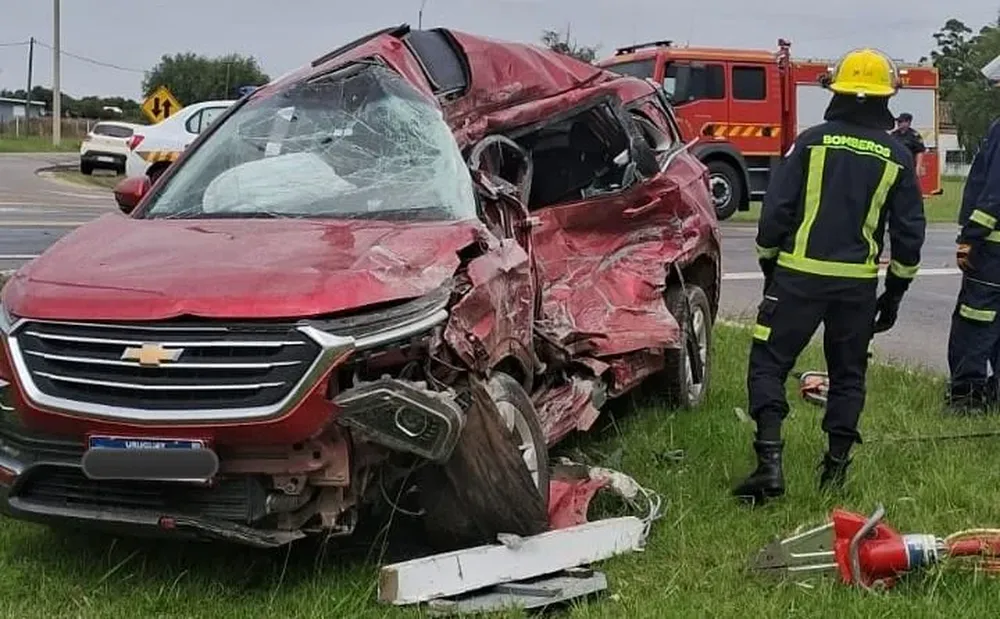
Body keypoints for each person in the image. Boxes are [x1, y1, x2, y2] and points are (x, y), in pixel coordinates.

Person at [733, 48, 926, 504]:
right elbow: (909, 236)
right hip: (857, 289)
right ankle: (834, 473)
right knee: (848, 375)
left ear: (835, 91)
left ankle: (770, 466)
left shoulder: (809, 142)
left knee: (768, 364)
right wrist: (894, 294)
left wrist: (769, 266)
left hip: (796, 279)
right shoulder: (898, 156)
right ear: (886, 97)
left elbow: (774, 214)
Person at [945, 60, 1000, 413]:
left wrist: (971, 236)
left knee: (975, 320)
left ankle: (967, 397)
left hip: (993, 253)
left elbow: (994, 193)